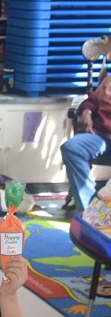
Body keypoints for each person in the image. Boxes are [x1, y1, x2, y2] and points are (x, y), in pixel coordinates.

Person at [60, 70, 111, 212]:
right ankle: (90, 209)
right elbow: (93, 100)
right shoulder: (108, 80)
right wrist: (87, 111)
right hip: (101, 135)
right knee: (71, 147)